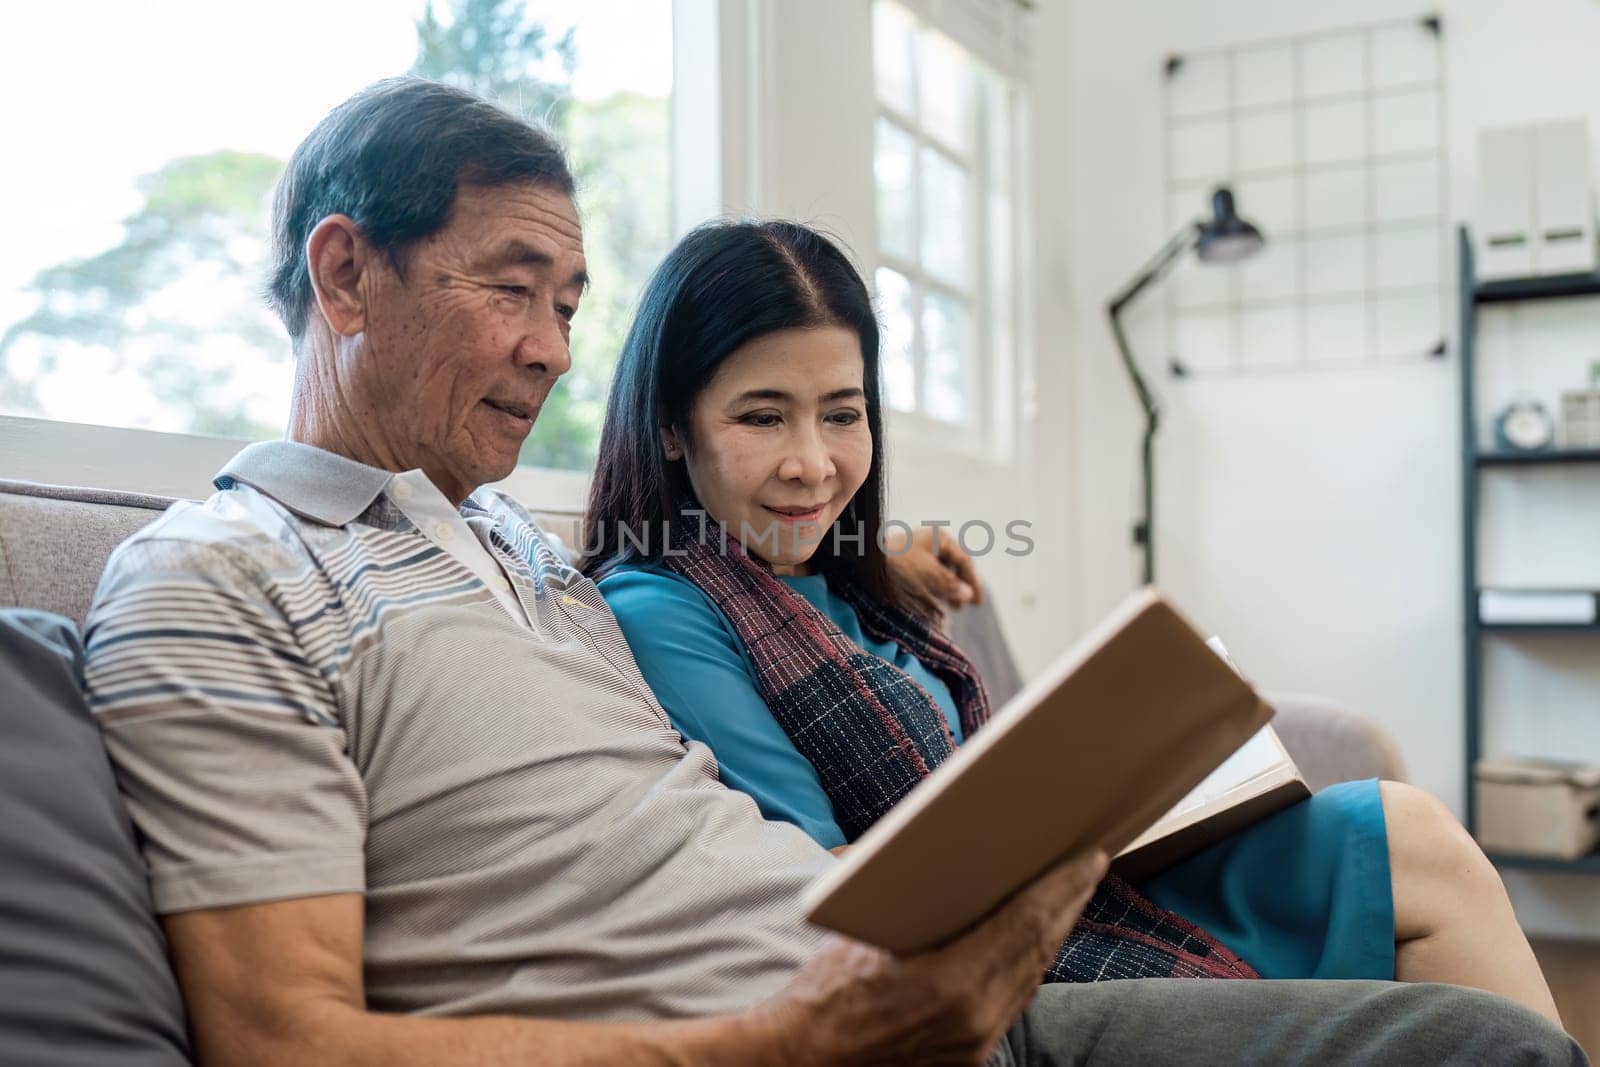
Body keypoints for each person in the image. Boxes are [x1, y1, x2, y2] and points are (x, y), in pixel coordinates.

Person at [79, 76, 1583, 1066]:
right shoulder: (216, 575)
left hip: (919, 1001)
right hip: (817, 1038)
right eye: (510, 290)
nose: (550, 349)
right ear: (345, 273)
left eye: (570, 302)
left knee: (1459, 1020)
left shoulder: (519, 549)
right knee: (1486, 1047)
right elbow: (281, 1034)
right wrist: (800, 1035)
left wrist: (885, 550)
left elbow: (735, 564)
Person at [584, 219, 1563, 1016]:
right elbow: (817, 883)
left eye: (841, 413)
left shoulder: (831, 565)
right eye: (762, 417)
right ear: (672, 425)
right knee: (1426, 909)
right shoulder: (663, 604)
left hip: (1074, 876)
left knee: (1410, 829)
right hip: (1008, 933)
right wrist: (1054, 820)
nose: (812, 461)